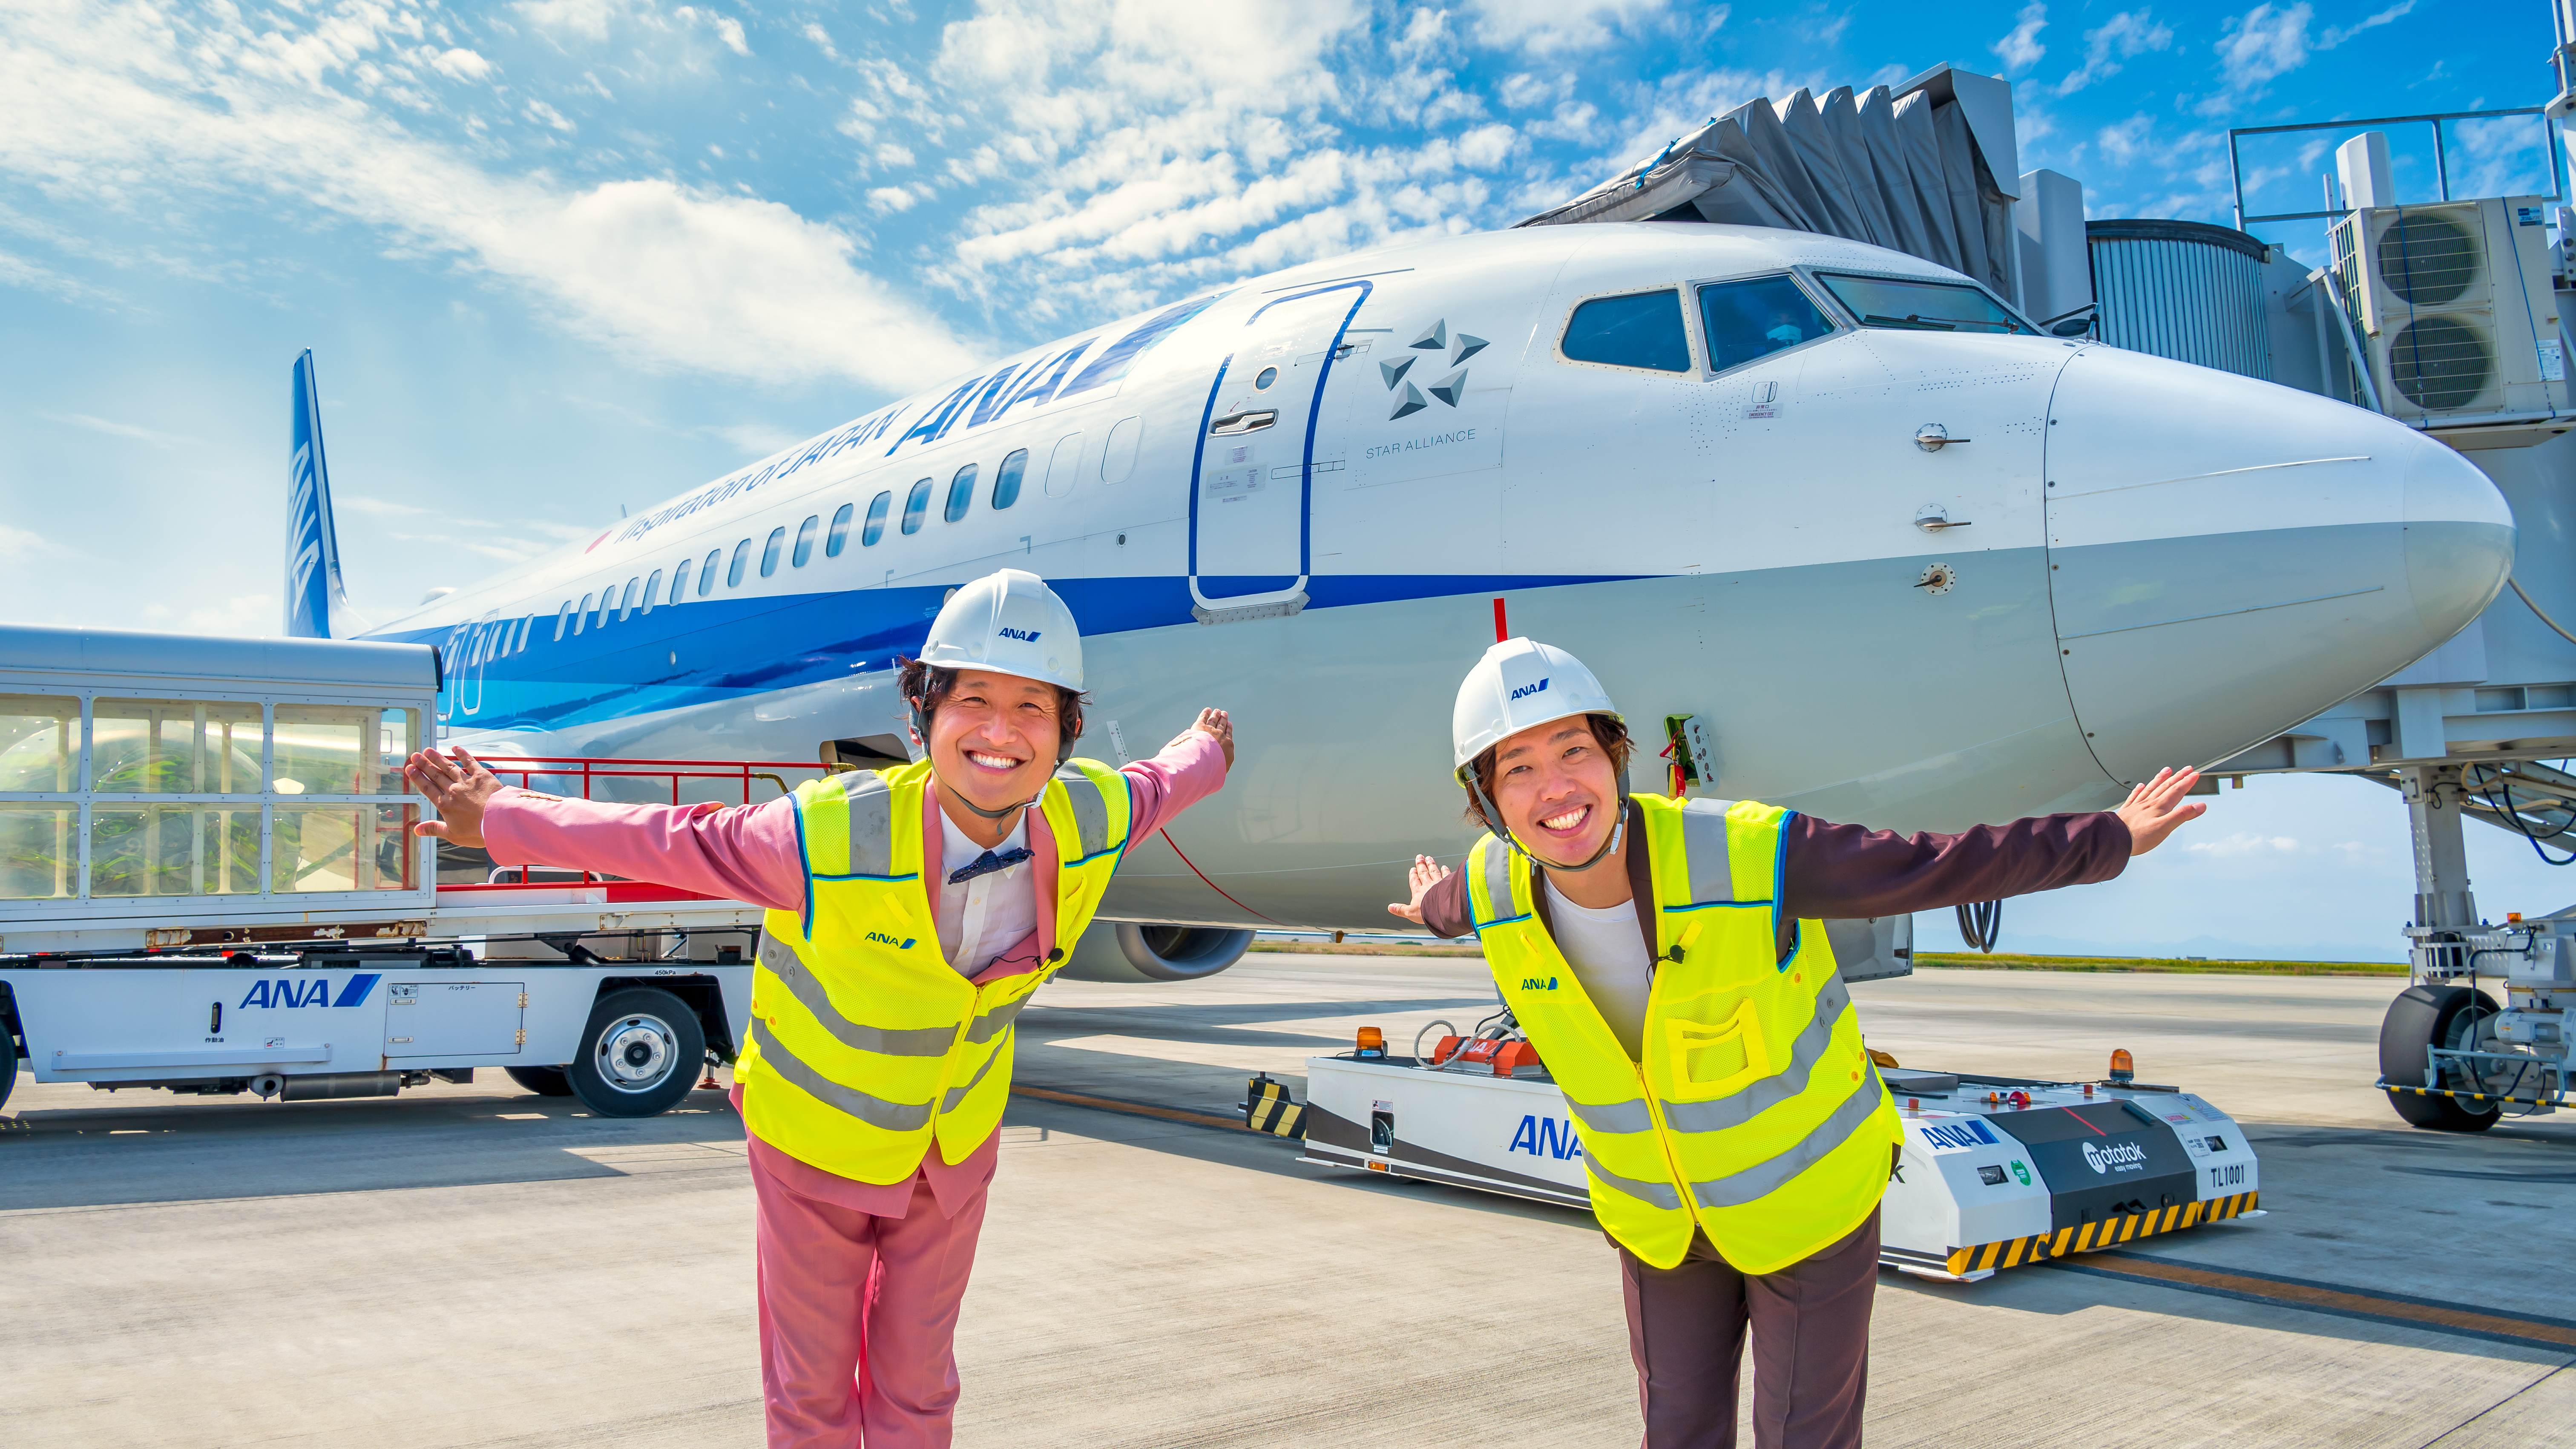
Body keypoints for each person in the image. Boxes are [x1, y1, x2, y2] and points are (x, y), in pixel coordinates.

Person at [405, 568, 1233, 1449]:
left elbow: (1163, 782)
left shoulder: (1086, 815)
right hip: (814, 1150)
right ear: (924, 715)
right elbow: (668, 839)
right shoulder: (828, 830)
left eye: (1033, 707)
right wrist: (503, 816)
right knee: (812, 1400)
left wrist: (1208, 748)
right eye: (973, 700)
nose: (1000, 732)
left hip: (948, 1160)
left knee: (921, 1392)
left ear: (1068, 731)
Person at [1387, 638, 2202, 1449]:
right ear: (1488, 798)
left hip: (1809, 1206)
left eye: (1574, 750)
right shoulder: (1492, 885)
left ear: (1615, 755)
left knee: (1801, 1437)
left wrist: (2113, 837)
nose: (1556, 787)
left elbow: (1937, 868)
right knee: (1676, 1432)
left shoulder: (1749, 854)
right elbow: (1455, 904)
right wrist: (1430, 903)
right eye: (1517, 766)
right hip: (1663, 1225)